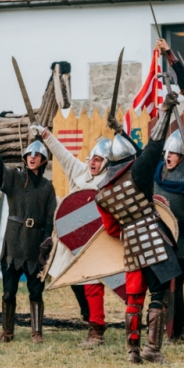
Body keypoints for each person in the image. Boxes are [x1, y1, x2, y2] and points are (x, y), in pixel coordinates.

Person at [97, 92, 182, 364]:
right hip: (154, 238)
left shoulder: (103, 192)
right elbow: (155, 143)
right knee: (159, 293)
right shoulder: (139, 171)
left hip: (131, 245)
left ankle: (132, 351)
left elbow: (111, 229)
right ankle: (152, 349)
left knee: (134, 299)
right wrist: (167, 109)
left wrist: (121, 131)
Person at [34, 123, 112, 346]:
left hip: (98, 241)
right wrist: (46, 135)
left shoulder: (110, 182)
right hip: (73, 241)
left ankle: (97, 331)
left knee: (93, 283)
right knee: (74, 278)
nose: (92, 163)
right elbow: (62, 155)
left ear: (106, 162)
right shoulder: (79, 172)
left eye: (98, 160)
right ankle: (90, 319)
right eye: (91, 159)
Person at [0, 133, 56, 344]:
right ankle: (7, 331)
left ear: (43, 160)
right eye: (29, 153)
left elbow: (49, 220)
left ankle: (37, 332)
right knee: (8, 292)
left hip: (34, 244)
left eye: (37, 154)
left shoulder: (47, 187)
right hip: (13, 242)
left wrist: (46, 243)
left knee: (35, 292)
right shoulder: (14, 178)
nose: (32, 157)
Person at [153, 130, 184, 342]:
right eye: (166, 153)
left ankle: (176, 330)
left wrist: (174, 219)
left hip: (176, 243)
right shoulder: (157, 175)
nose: (168, 156)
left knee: (176, 288)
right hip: (154, 240)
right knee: (157, 287)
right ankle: (157, 327)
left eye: (173, 153)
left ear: (182, 157)